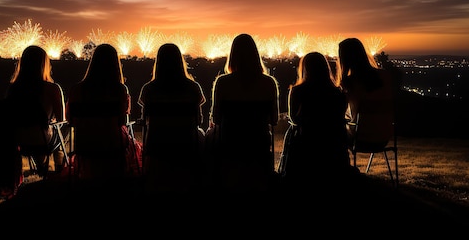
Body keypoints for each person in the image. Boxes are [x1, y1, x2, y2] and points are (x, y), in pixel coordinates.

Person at [0, 45, 66, 198]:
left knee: (42, 129)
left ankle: (41, 166)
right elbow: (61, 119)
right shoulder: (53, 88)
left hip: (14, 139)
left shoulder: (14, 89)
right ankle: (59, 167)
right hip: (42, 138)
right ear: (44, 64)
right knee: (61, 129)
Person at [205, 33, 280, 192]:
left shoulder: (223, 82)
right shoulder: (268, 82)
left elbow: (216, 118)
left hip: (230, 143)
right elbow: (273, 120)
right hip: (258, 143)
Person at [66, 43, 142, 182]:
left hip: (85, 143)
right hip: (112, 143)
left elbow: (70, 120)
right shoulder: (120, 90)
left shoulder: (76, 90)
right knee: (134, 144)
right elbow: (122, 122)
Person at [137, 43, 206, 193]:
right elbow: (198, 121)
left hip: (157, 148)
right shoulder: (193, 88)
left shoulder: (148, 90)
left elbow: (145, 122)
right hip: (186, 147)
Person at [278, 52, 353, 186]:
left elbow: (294, 118)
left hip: (305, 141)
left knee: (292, 129)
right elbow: (340, 117)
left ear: (304, 69)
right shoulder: (338, 92)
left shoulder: (297, 91)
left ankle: (290, 172)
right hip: (332, 141)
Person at [336, 37, 396, 145]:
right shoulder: (385, 76)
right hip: (384, 137)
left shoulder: (350, 82)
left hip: (360, 138)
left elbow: (339, 112)